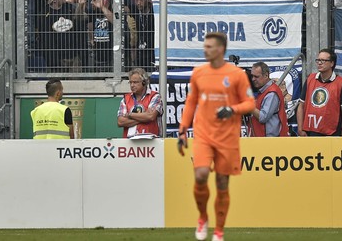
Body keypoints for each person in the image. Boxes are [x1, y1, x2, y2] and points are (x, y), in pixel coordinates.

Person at [178, 32, 255, 241]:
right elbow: (191, 102)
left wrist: (232, 109)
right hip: (203, 134)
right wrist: (183, 129)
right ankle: (203, 217)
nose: (205, 49)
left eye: (209, 46)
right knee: (201, 175)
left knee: (222, 182)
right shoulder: (198, 73)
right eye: (205, 46)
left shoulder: (236, 74)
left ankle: (219, 231)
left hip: (228, 137)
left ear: (220, 49)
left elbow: (250, 103)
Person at [297, 49, 342, 136]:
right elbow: (301, 106)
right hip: (310, 131)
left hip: (332, 133)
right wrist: (300, 129)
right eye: (318, 60)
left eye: (323, 60)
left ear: (332, 63)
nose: (319, 63)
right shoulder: (310, 79)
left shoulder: (341, 82)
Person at [116, 67, 163, 138]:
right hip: (129, 142)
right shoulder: (125, 99)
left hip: (151, 142)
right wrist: (144, 117)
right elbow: (120, 122)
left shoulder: (155, 96)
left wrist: (130, 115)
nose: (132, 85)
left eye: (135, 82)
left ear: (144, 82)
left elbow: (150, 116)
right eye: (130, 82)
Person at [248, 61, 288, 137]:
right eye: (252, 76)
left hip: (270, 141)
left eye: (256, 76)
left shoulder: (271, 93)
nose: (253, 79)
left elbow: (263, 117)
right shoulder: (264, 91)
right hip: (264, 139)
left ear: (266, 75)